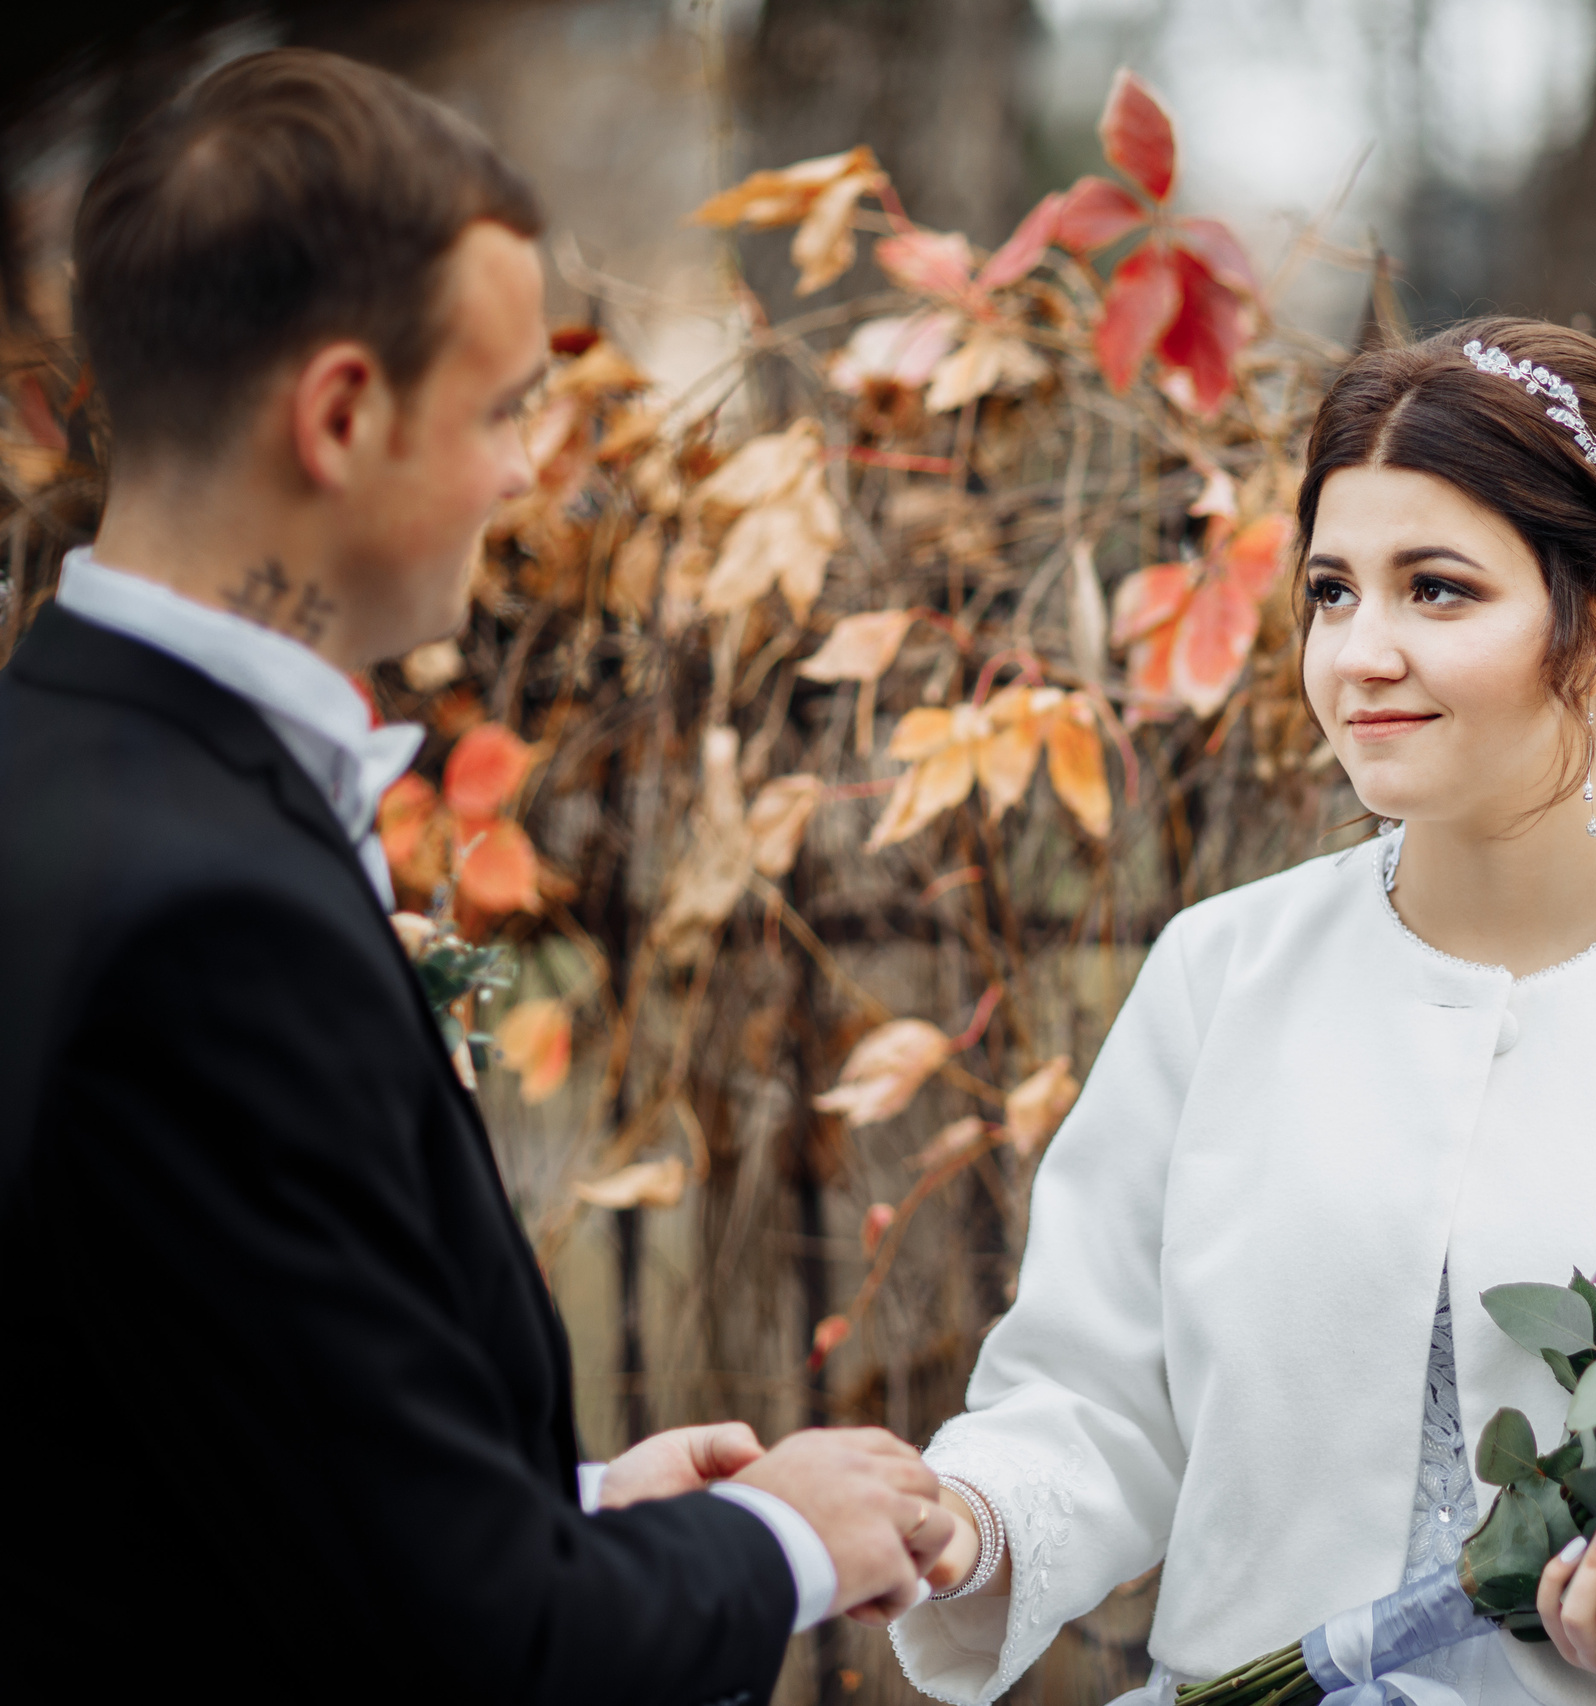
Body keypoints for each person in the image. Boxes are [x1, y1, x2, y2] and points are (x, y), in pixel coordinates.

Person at [0, 49, 953, 1704]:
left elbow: (168, 1455)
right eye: (504, 408)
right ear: (344, 414)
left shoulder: (57, 764)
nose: (530, 472)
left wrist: (571, 1515)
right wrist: (784, 1543)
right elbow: (470, 1644)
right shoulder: (208, 916)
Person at [887, 320, 1596, 1706]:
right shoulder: (1215, 974)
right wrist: (971, 1520)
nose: (1360, 654)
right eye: (1331, 590)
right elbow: (1095, 1397)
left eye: (1435, 590)